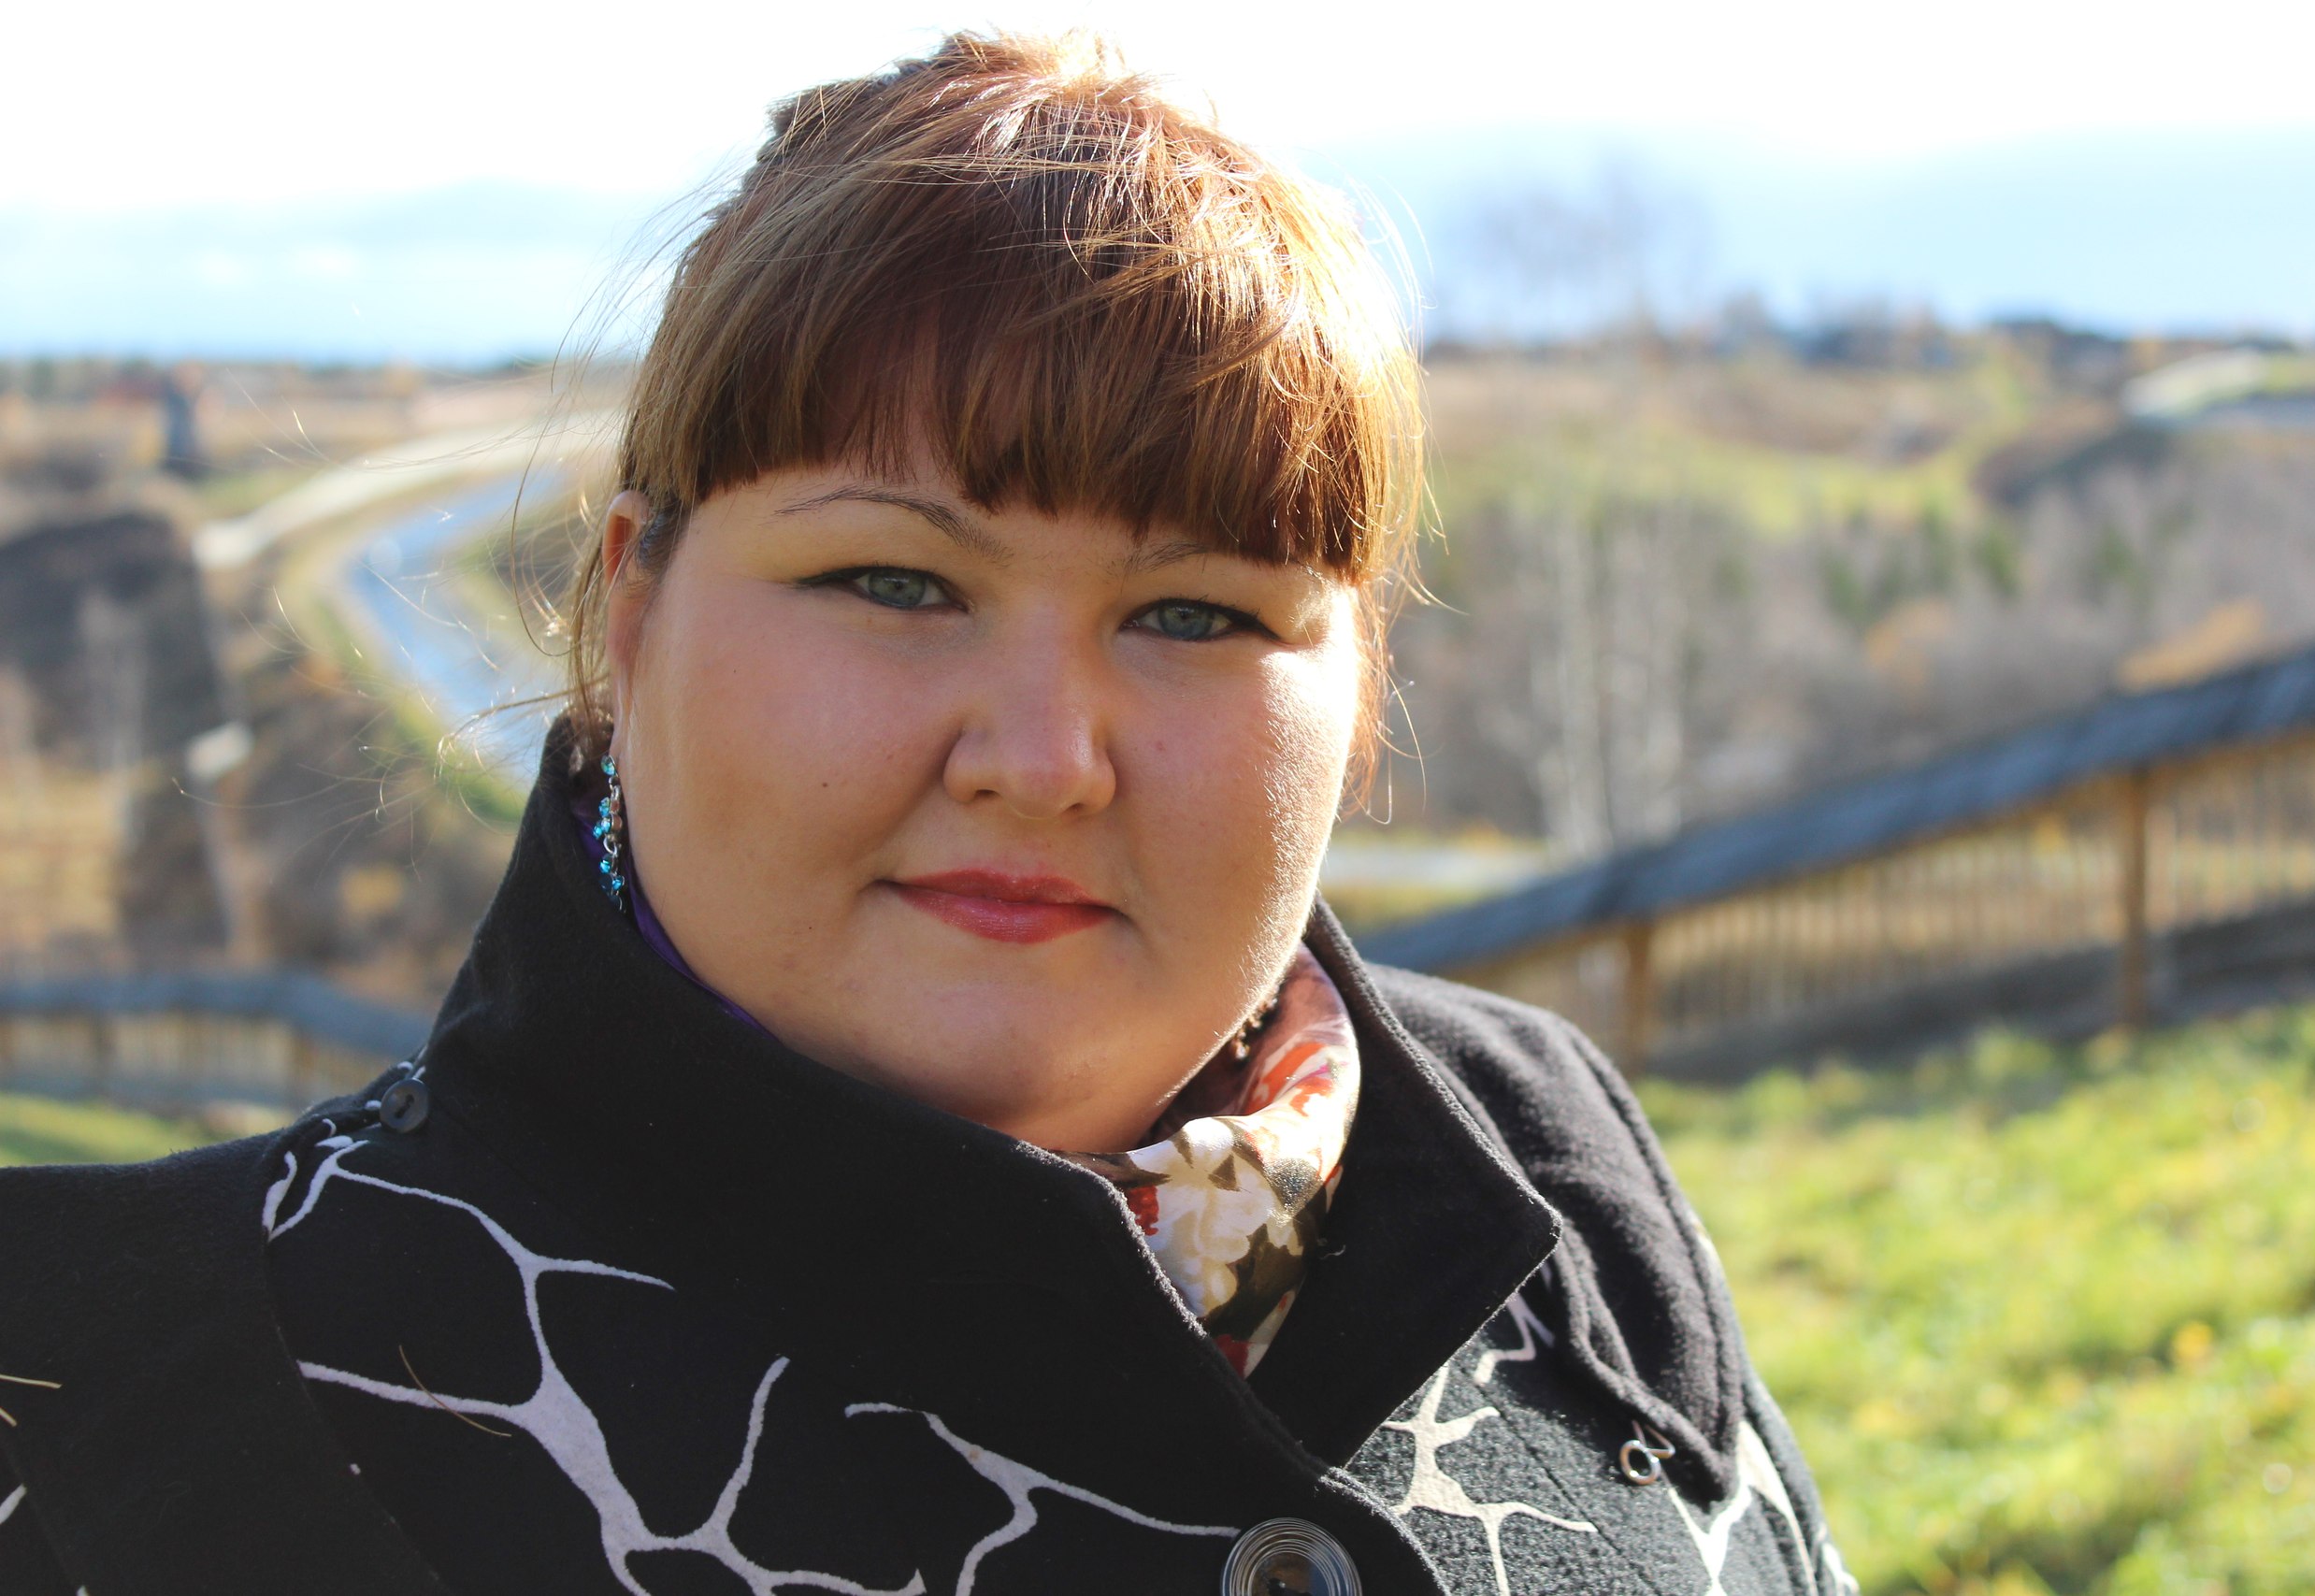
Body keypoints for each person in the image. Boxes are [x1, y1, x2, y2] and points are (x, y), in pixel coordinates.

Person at [0, 34, 1855, 1596]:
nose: (1042, 757)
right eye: (893, 582)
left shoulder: (1552, 1172)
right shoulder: (116, 1406)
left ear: (1360, 688)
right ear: (631, 613)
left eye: (1194, 614)